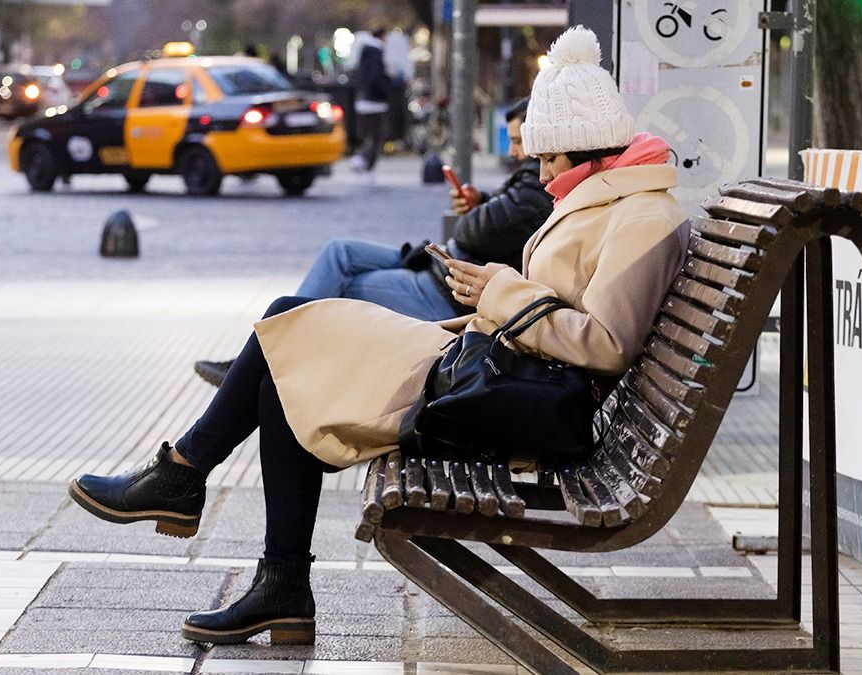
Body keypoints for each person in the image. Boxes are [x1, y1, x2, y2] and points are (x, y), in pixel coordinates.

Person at [69, 26, 687, 648]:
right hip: (493, 370)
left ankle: (192, 487)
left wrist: (500, 290)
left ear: (589, 149)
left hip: (519, 401)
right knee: (288, 351)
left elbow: (606, 343)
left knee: (290, 336)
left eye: (550, 159)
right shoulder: (610, 199)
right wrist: (490, 300)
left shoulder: (641, 216)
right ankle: (266, 570)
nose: (544, 174)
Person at [193, 97, 553, 387]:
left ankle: (255, 368)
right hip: (438, 268)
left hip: (448, 296)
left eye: (518, 142)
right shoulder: (529, 180)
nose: (513, 152)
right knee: (339, 252)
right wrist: (483, 201)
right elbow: (494, 224)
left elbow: (470, 231)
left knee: (340, 292)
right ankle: (257, 364)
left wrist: (478, 208)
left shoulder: (535, 185)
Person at [348, 28, 392, 175]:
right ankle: (363, 161)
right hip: (375, 101)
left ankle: (364, 163)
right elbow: (376, 77)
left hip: (363, 100)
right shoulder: (375, 53)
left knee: (369, 135)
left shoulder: (364, 52)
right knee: (376, 136)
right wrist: (387, 87)